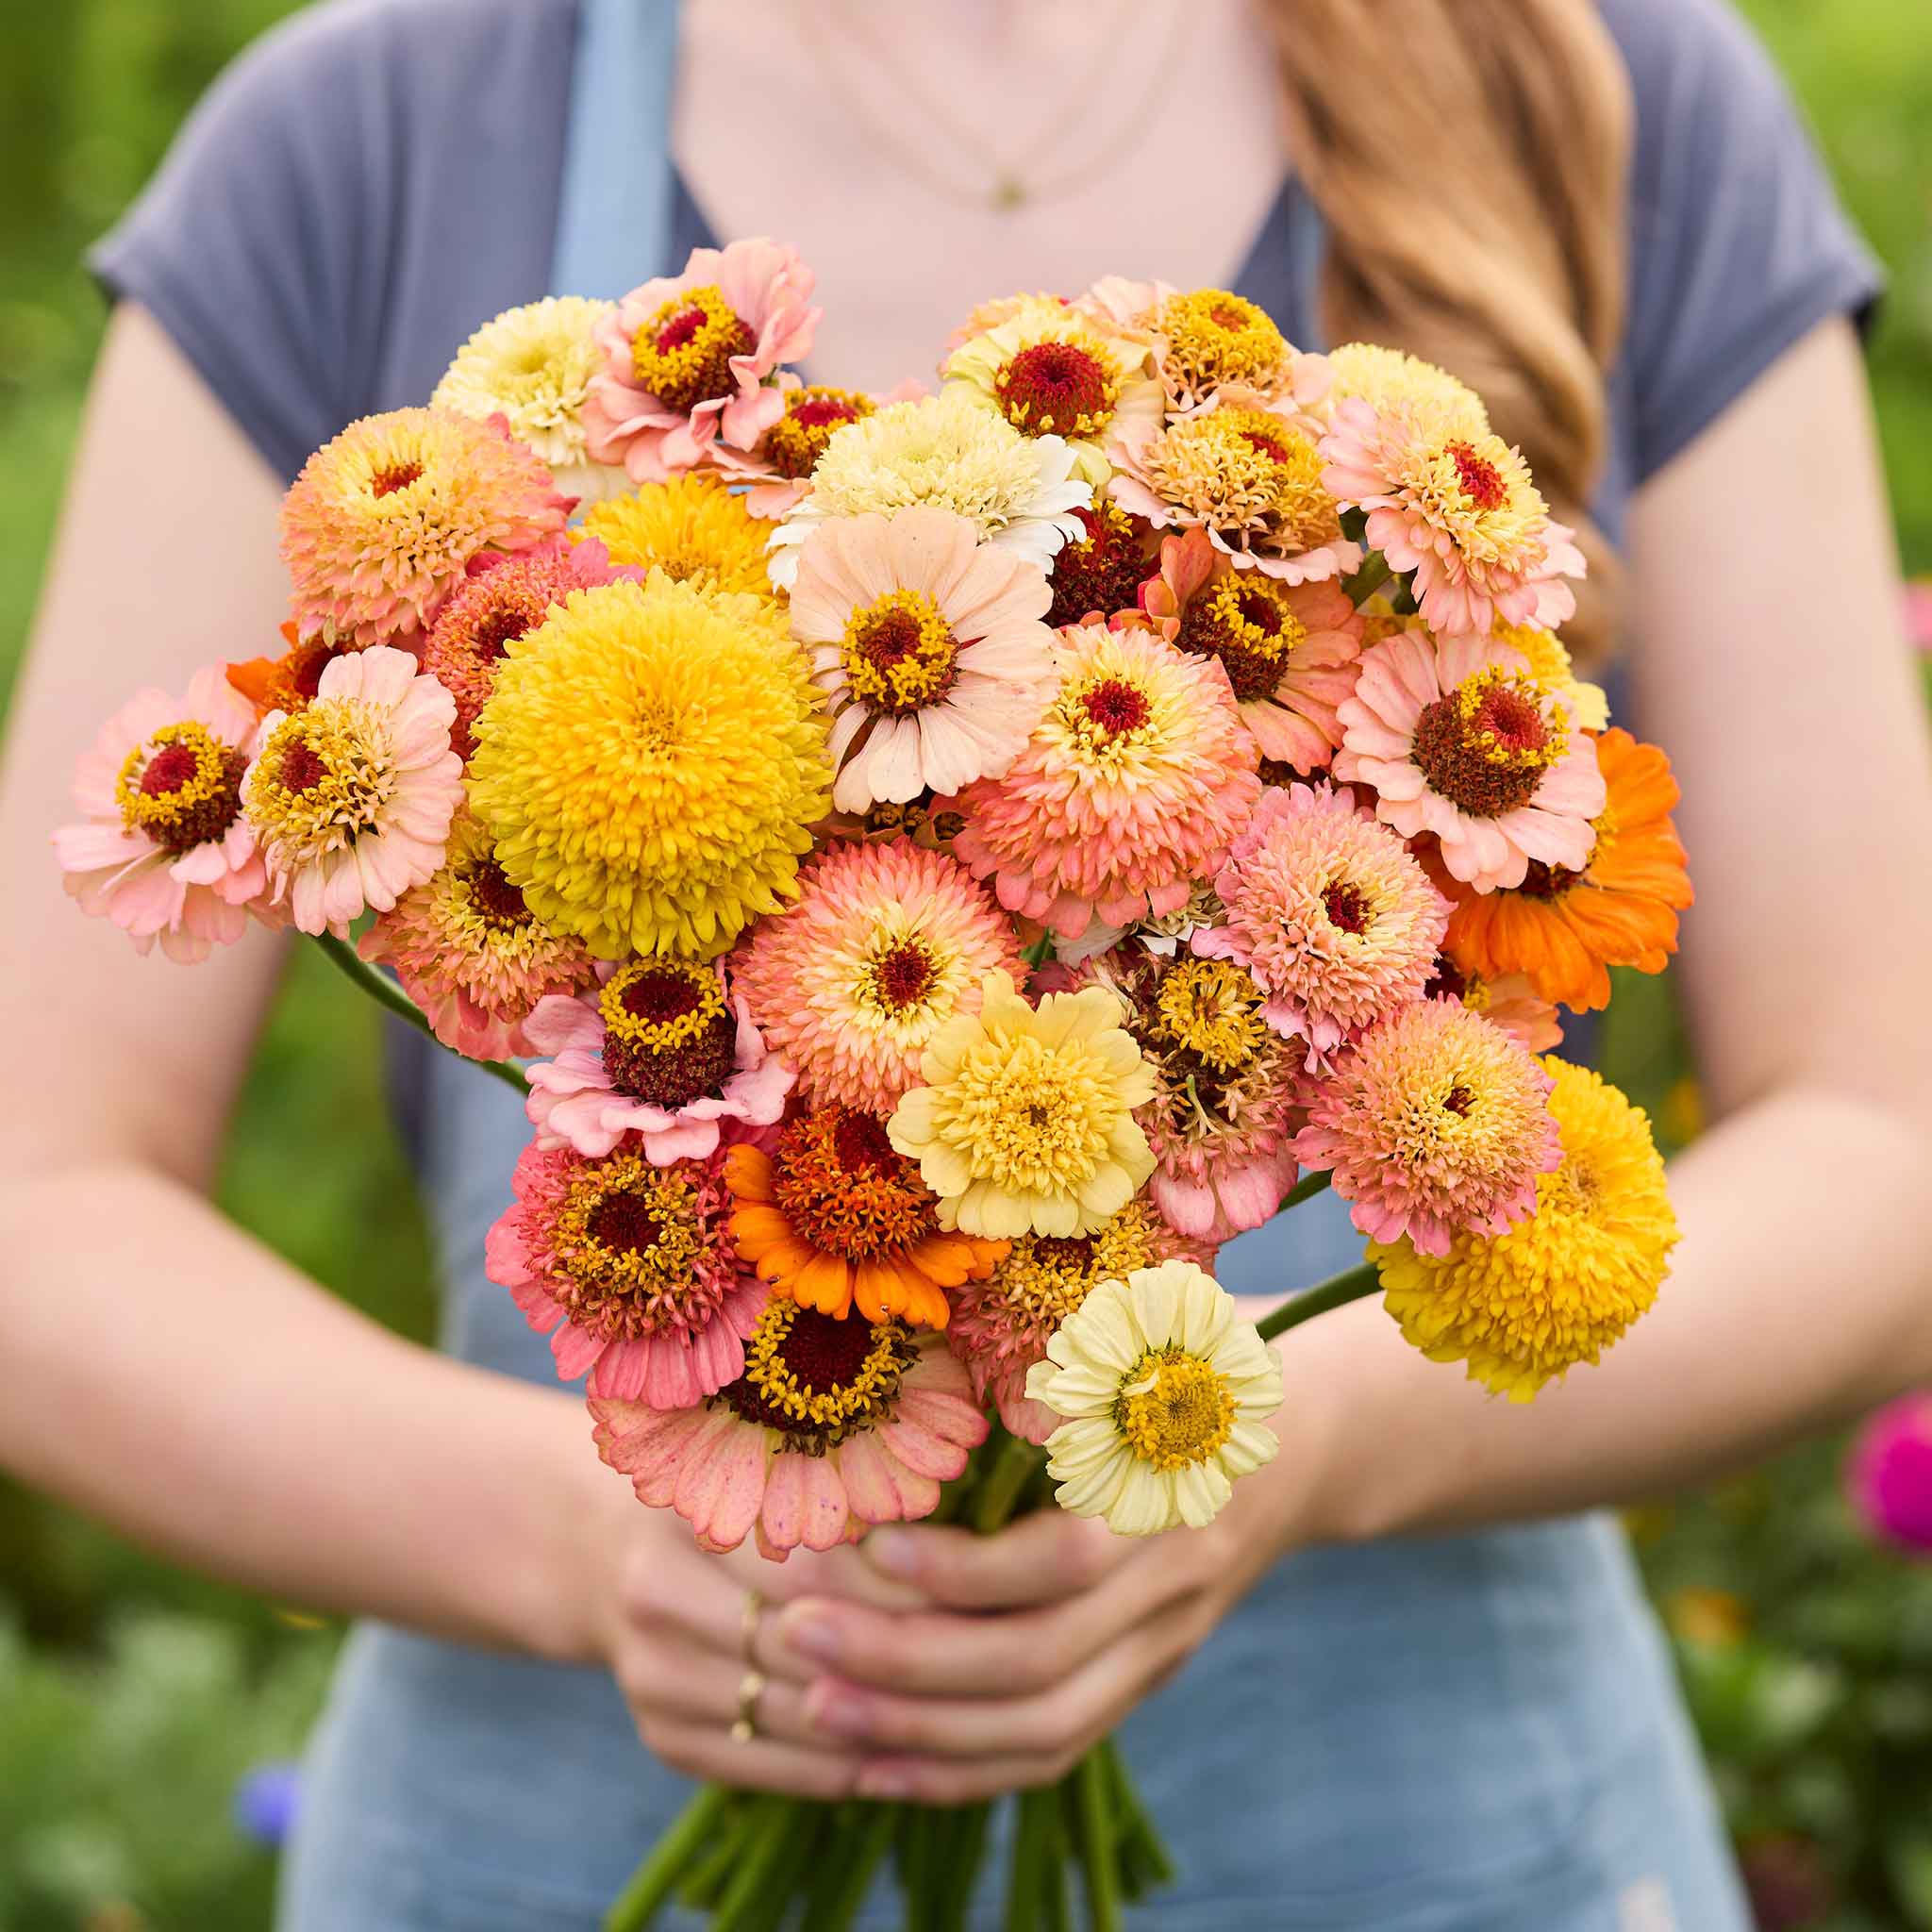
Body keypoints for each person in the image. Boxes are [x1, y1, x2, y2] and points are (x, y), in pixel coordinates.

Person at [2, 0, 1927, 1925]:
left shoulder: (1603, 79)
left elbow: (1884, 1142)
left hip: (1414, 1846)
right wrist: (599, 1547)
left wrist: (1288, 1432)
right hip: (553, 1841)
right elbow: (40, 1199)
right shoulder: (376, 128)